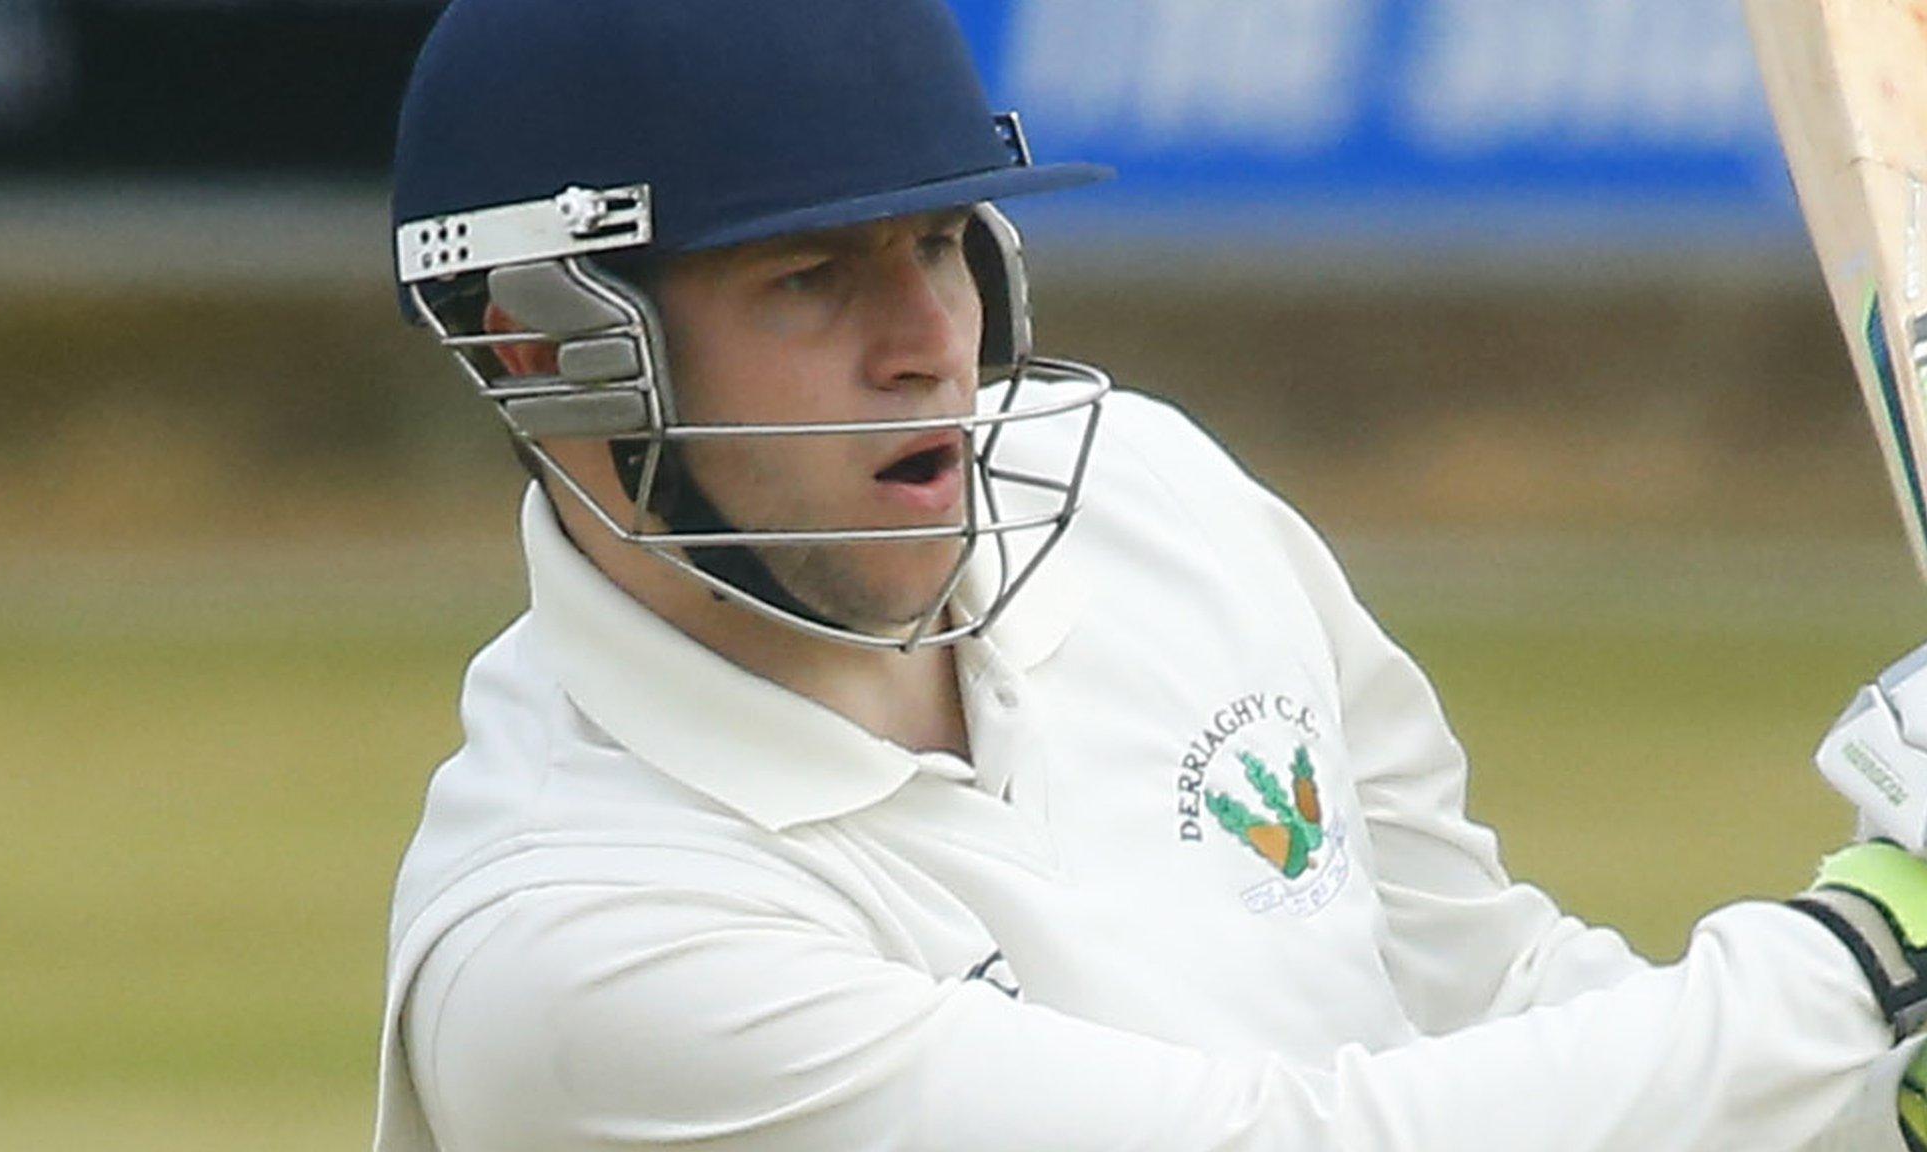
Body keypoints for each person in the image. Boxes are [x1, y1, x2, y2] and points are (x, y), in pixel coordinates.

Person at [371, 1, 1927, 1149]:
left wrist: (1874, 1079)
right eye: (811, 279)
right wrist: (1878, 946)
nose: (931, 346)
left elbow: (1496, 997)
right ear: (553, 351)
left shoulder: (1146, 495)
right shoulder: (577, 953)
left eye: (940, 247)